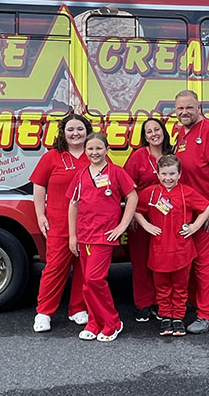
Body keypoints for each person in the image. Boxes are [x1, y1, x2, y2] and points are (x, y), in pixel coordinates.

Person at [67, 132, 138, 342]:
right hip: (84, 234)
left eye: (99, 148)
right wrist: (73, 236)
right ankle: (94, 322)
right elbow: (73, 204)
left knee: (94, 279)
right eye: (90, 149)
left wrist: (122, 225)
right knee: (87, 284)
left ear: (107, 149)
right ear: (85, 151)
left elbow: (132, 196)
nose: (94, 152)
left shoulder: (116, 172)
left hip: (105, 235)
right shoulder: (80, 175)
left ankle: (113, 322)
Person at [173, 90, 209, 334]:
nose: (184, 112)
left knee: (204, 265)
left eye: (189, 107)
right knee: (190, 260)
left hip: (206, 211)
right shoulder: (181, 133)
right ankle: (194, 305)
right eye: (180, 109)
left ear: (199, 107)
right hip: (189, 210)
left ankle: (207, 314)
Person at [30, 113, 93, 333]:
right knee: (55, 268)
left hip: (88, 225)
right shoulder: (52, 157)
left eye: (80, 129)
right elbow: (39, 186)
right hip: (58, 223)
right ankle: (44, 312)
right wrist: (40, 215)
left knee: (84, 269)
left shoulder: (95, 154)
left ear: (87, 131)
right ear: (63, 133)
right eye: (71, 130)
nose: (76, 133)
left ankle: (77, 308)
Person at [135, 155, 209, 336]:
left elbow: (207, 207)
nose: (168, 178)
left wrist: (194, 227)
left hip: (182, 250)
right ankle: (165, 317)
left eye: (172, 174)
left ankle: (178, 317)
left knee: (180, 287)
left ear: (179, 174)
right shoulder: (151, 193)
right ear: (158, 174)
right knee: (161, 287)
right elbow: (135, 208)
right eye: (164, 174)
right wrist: (146, 225)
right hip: (159, 250)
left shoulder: (187, 192)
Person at [123, 117, 173, 322]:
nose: (154, 134)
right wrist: (131, 213)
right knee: (141, 261)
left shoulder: (171, 156)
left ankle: (162, 303)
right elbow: (126, 187)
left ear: (163, 131)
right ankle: (144, 303)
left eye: (157, 129)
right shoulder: (138, 156)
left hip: (166, 219)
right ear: (144, 137)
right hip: (141, 217)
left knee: (162, 261)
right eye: (149, 131)